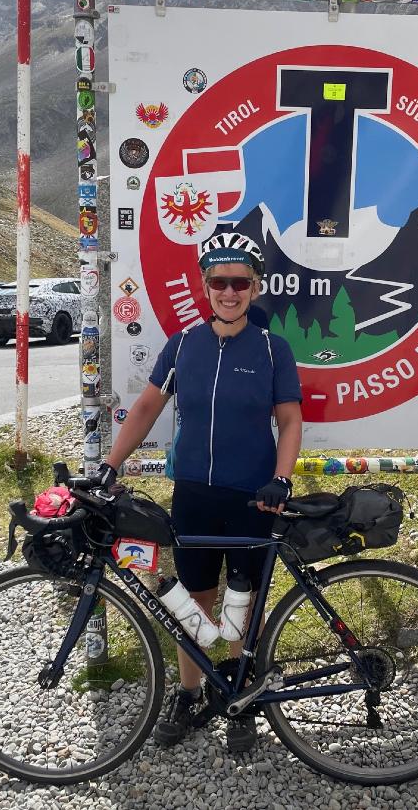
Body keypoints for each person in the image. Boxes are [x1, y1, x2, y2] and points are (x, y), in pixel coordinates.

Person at [94, 242, 303, 754]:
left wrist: (282, 478)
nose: (230, 292)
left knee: (244, 602)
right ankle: (189, 693)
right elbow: (146, 407)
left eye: (240, 283)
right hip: (193, 493)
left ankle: (240, 697)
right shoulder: (183, 344)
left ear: (256, 288)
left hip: (253, 497)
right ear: (205, 288)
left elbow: (290, 418)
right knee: (194, 599)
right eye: (219, 283)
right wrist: (109, 465)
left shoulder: (273, 349)